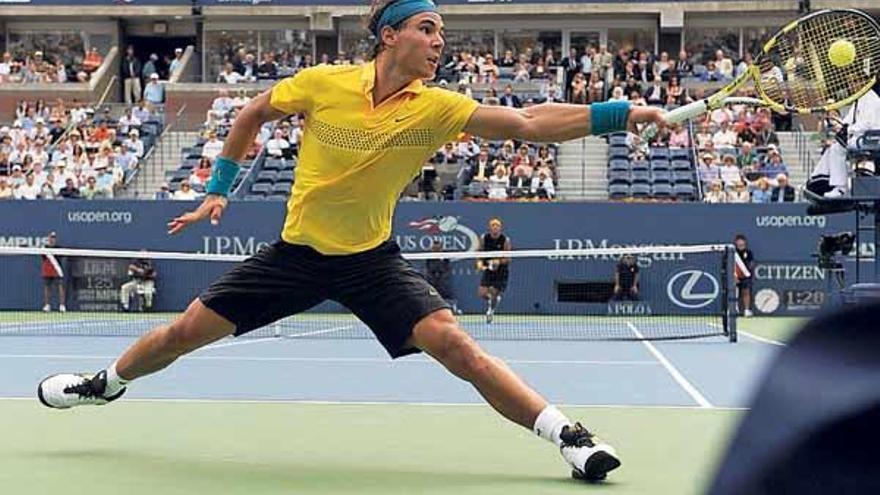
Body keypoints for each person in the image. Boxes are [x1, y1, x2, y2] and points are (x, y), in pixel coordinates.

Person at [37, 0, 663, 483]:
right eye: (426, 28)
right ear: (390, 35)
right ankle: (105, 383)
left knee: (459, 349)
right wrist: (220, 187)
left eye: (441, 32)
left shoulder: (436, 106)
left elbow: (529, 123)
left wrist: (620, 113)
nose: (438, 41)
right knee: (179, 335)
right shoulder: (323, 83)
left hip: (371, 262)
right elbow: (252, 113)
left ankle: (570, 438)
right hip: (294, 257)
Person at [476, 218, 511, 324]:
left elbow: (508, 259)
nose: (495, 227)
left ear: (500, 228)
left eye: (497, 225)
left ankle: (491, 310)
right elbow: (479, 252)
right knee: (482, 293)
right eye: (493, 225)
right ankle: (492, 300)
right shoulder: (484, 238)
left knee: (494, 292)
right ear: (489, 227)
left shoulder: (505, 240)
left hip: (501, 272)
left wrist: (498, 262)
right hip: (489, 270)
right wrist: (479, 262)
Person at [424, 240, 459, 314]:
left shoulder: (445, 255)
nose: (436, 247)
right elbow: (428, 267)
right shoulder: (428, 255)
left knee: (446, 294)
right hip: (432, 279)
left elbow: (446, 267)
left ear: (441, 247)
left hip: (443, 279)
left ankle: (452, 308)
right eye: (434, 245)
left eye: (438, 245)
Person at [40, 231, 66, 312]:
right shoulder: (44, 248)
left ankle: (62, 306)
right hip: (47, 271)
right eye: (51, 237)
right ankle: (47, 305)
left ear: (55, 239)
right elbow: (43, 258)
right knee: (47, 288)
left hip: (57, 271)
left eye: (53, 238)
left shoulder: (59, 249)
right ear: (48, 239)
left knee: (60, 287)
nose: (52, 239)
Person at [734, 234, 755, 317]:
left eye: (742, 242)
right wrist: (734, 275)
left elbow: (751, 264)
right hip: (734, 276)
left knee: (746, 292)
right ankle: (734, 310)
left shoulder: (748, 252)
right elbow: (730, 264)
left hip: (745, 276)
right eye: (739, 242)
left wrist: (747, 273)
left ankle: (746, 310)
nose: (740, 243)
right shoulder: (732, 252)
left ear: (745, 242)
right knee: (733, 293)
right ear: (736, 242)